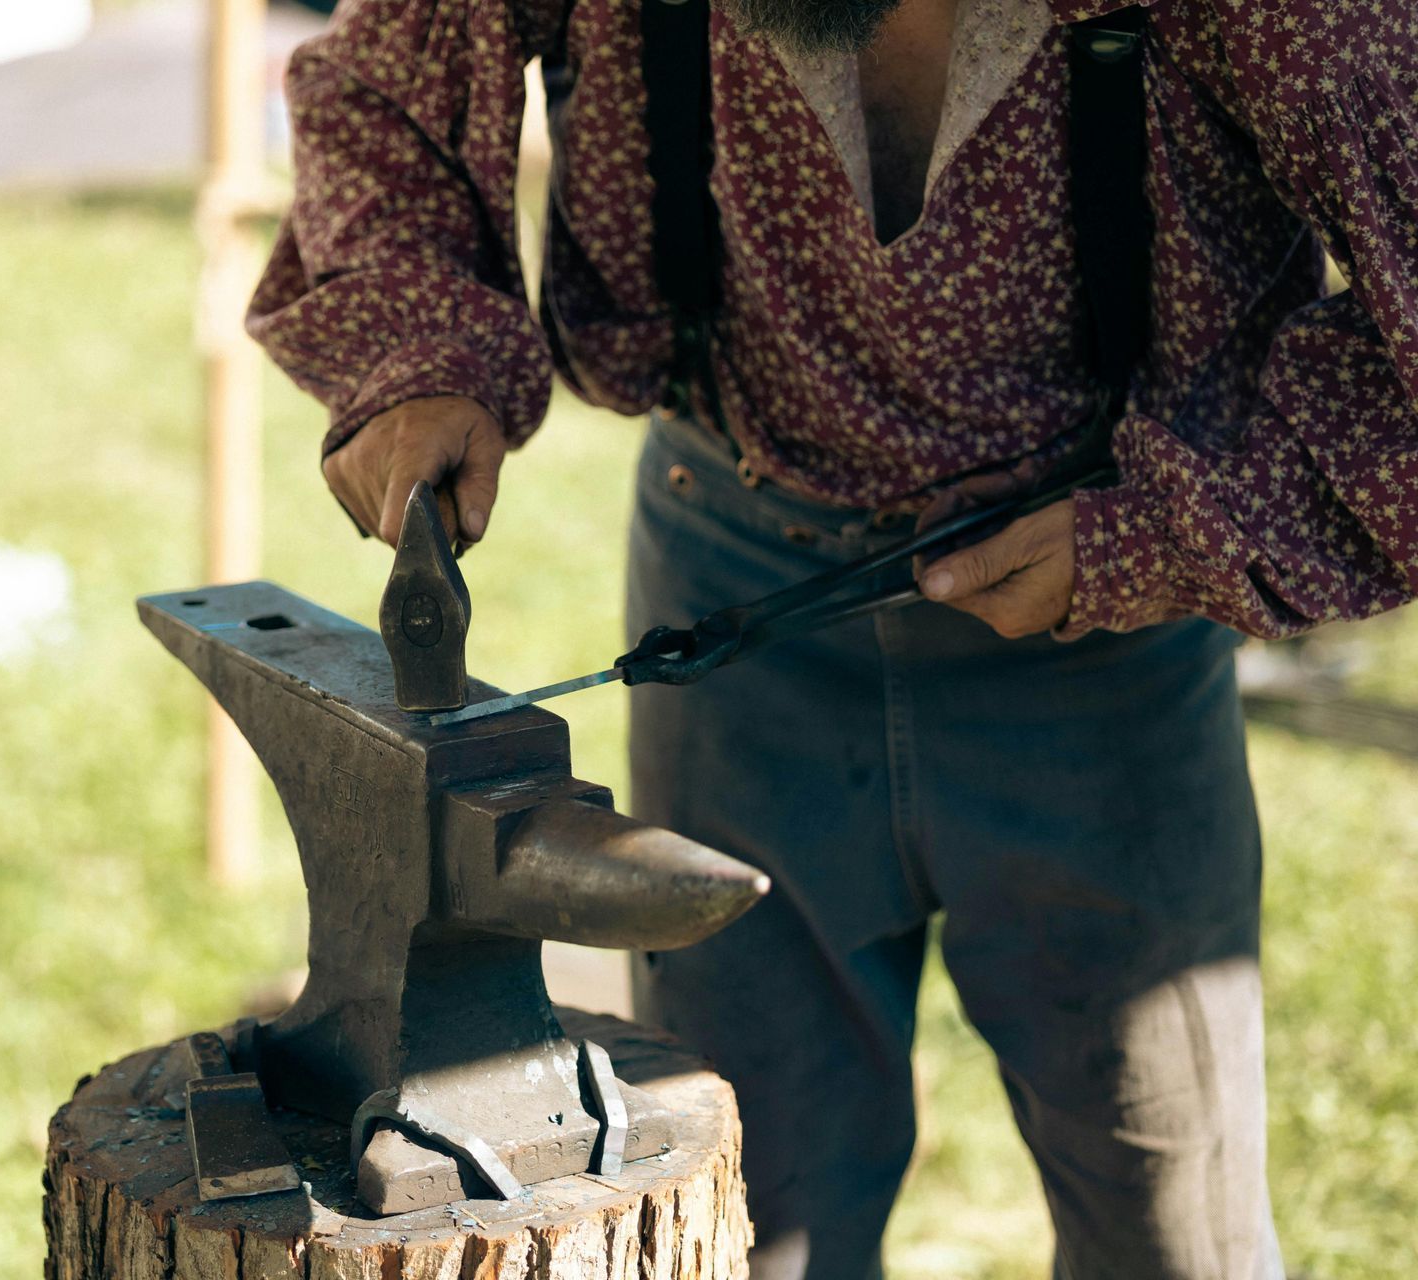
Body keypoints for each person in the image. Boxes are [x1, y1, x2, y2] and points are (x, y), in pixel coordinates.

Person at [246, 0, 1417, 1272]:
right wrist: (415, 353)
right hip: (736, 591)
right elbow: (384, 80)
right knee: (755, 1225)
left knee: (1172, 1235)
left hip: (1111, 633)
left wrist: (1172, 531)